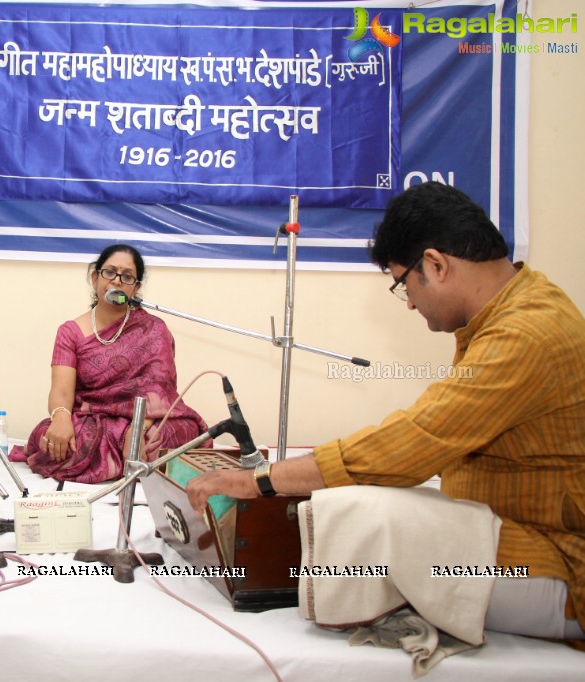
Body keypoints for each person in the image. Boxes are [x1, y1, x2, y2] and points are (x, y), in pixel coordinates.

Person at [186, 182, 585, 643]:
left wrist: (255, 480)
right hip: (509, 536)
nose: (410, 302)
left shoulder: (526, 333)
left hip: (554, 566)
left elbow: (413, 444)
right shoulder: (515, 311)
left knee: (370, 512)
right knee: (357, 502)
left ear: (435, 264)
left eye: (403, 285)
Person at [11, 244, 209, 483]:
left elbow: (159, 392)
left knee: (177, 434)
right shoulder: (70, 332)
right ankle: (125, 462)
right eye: (110, 272)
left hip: (144, 421)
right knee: (49, 438)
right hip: (91, 422)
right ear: (95, 278)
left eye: (126, 276)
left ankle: (122, 456)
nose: (116, 280)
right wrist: (62, 418)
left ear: (135, 287)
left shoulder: (155, 329)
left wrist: (136, 432)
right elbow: (61, 391)